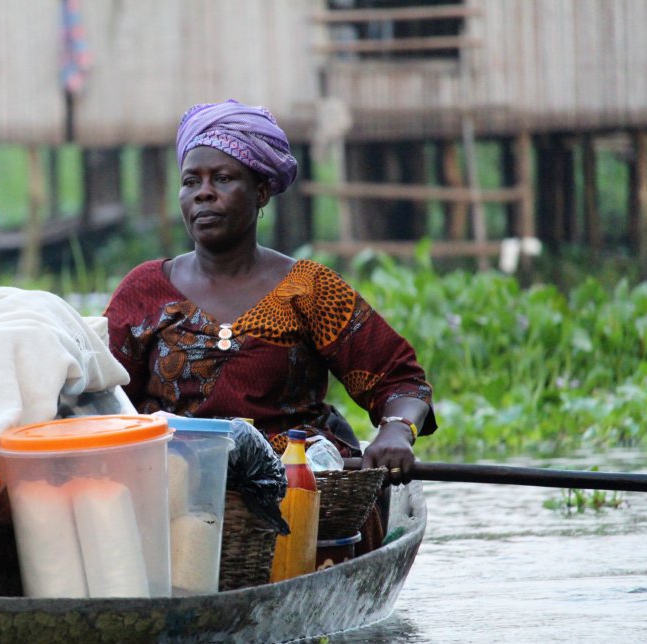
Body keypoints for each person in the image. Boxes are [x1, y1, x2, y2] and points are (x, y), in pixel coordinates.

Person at [103, 99, 436, 488]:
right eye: (191, 181)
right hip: (174, 487)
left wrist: (396, 430)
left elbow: (399, 380)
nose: (203, 194)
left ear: (261, 192)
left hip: (298, 485)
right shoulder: (145, 290)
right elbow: (106, 399)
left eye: (222, 179)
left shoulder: (309, 289)